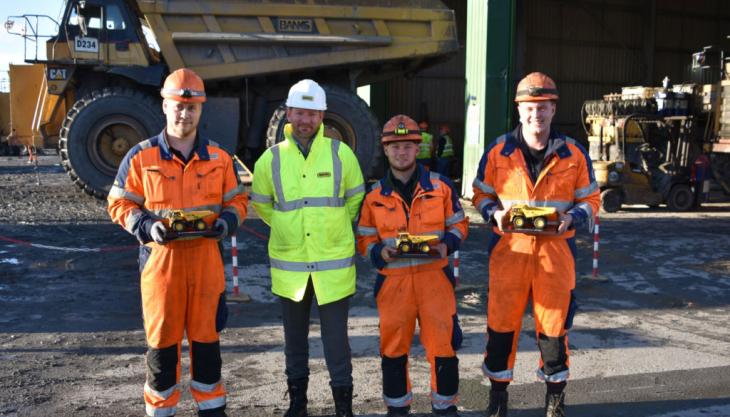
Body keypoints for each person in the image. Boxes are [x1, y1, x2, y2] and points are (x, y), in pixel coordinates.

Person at [108, 68, 248, 417]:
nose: (185, 114)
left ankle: (212, 411)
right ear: (165, 106)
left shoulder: (219, 158)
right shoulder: (141, 157)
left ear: (201, 110)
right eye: (178, 106)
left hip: (206, 267)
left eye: (192, 108)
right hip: (161, 269)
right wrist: (145, 225)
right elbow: (118, 203)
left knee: (207, 354)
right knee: (161, 355)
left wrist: (227, 222)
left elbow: (238, 202)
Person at [471, 72, 600, 417]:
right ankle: (498, 399)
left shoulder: (573, 154)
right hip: (509, 253)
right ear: (519, 110)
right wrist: (494, 214)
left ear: (553, 109)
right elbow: (480, 192)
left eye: (543, 108)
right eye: (529, 107)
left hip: (556, 255)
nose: (536, 115)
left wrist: (574, 217)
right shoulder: (499, 151)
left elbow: (592, 199)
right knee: (501, 328)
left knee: (554, 331)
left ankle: (554, 401)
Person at [250, 79, 365, 417]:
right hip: (291, 268)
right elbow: (261, 205)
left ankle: (343, 407)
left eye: (312, 114)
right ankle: (297, 403)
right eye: (300, 112)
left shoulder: (341, 154)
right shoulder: (270, 160)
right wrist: (287, 226)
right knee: (295, 342)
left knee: (336, 344)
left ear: (323, 116)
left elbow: (356, 198)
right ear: (289, 113)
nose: (305, 120)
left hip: (333, 268)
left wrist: (334, 226)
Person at [356, 114, 468, 417]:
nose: (401, 152)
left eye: (407, 146)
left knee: (444, 348)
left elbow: (460, 226)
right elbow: (364, 239)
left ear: (417, 148)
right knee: (392, 351)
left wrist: (448, 244)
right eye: (395, 147)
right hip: (393, 284)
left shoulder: (441, 186)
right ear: (386, 150)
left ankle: (445, 409)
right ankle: (397, 410)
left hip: (436, 281)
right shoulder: (374, 195)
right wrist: (379, 253)